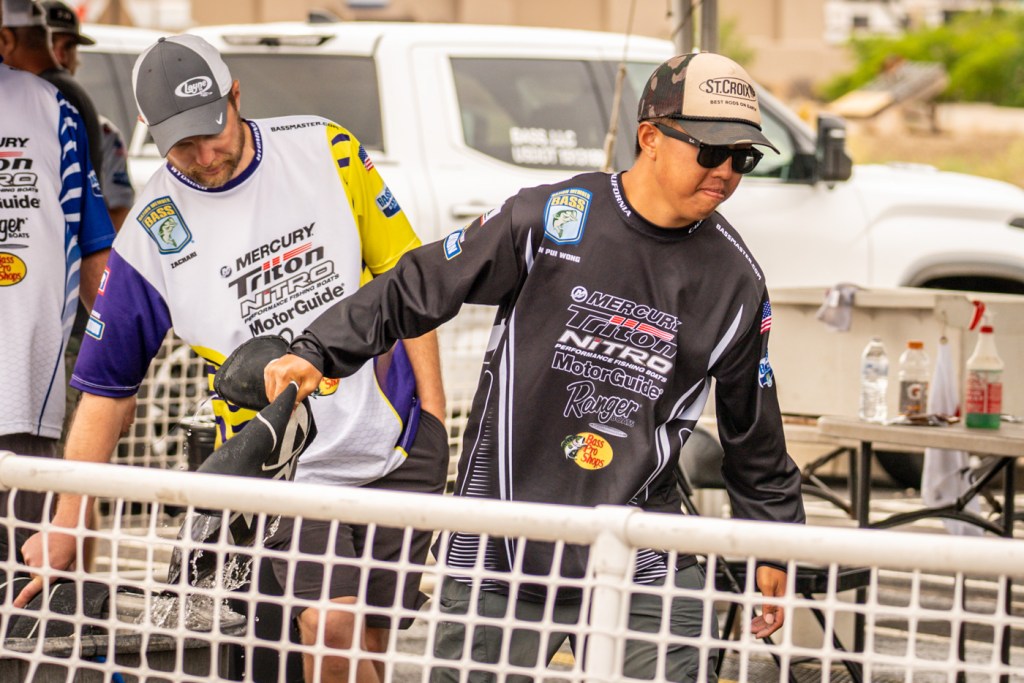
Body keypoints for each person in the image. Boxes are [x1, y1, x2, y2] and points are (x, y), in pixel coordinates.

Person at [262, 52, 807, 682]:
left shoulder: (737, 281)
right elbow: (420, 283)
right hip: (501, 541)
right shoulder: (553, 217)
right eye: (710, 151)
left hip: (639, 548)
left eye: (743, 157)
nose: (726, 172)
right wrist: (317, 349)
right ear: (650, 137)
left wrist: (774, 542)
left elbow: (752, 427)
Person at [15, 34, 449, 683]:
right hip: (284, 469)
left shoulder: (326, 148)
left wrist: (434, 419)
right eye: (181, 144)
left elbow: (404, 275)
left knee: (369, 642)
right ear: (150, 131)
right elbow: (107, 387)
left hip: (393, 445)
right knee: (331, 624)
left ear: (235, 95)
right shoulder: (151, 231)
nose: (204, 155)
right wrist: (68, 520)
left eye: (211, 131)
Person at [0, 36, 114, 549]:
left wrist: (118, 363)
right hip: (23, 400)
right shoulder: (51, 106)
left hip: (21, 401)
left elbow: (94, 249)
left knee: (29, 568)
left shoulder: (50, 107)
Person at [42, 0, 134, 229]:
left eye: (69, 46)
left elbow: (119, 214)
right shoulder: (8, 120)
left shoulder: (104, 133)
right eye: (50, 43)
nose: (60, 57)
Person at [0, 0, 103, 190]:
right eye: (54, 41)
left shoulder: (45, 94)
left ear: (6, 40)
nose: (61, 56)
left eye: (69, 46)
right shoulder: (56, 91)